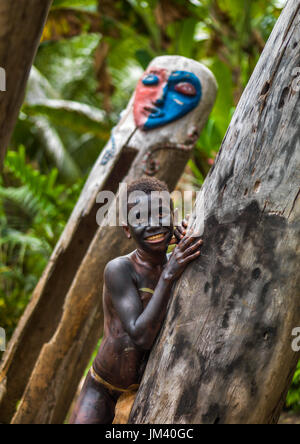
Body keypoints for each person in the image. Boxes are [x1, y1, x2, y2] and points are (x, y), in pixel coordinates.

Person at [69, 177, 202, 424]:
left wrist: (185, 241)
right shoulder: (120, 269)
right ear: (127, 229)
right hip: (103, 388)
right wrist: (170, 272)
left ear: (172, 217)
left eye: (161, 214)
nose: (153, 224)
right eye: (140, 218)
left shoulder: (179, 261)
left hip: (148, 389)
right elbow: (140, 335)